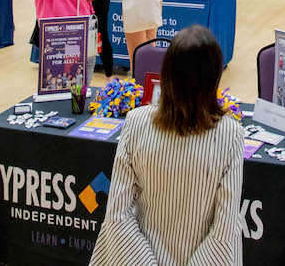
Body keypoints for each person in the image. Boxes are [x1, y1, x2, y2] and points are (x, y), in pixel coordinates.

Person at [90, 25, 243, 266]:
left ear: (167, 73)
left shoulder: (136, 122)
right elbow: (225, 229)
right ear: (214, 77)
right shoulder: (231, 134)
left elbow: (118, 214)